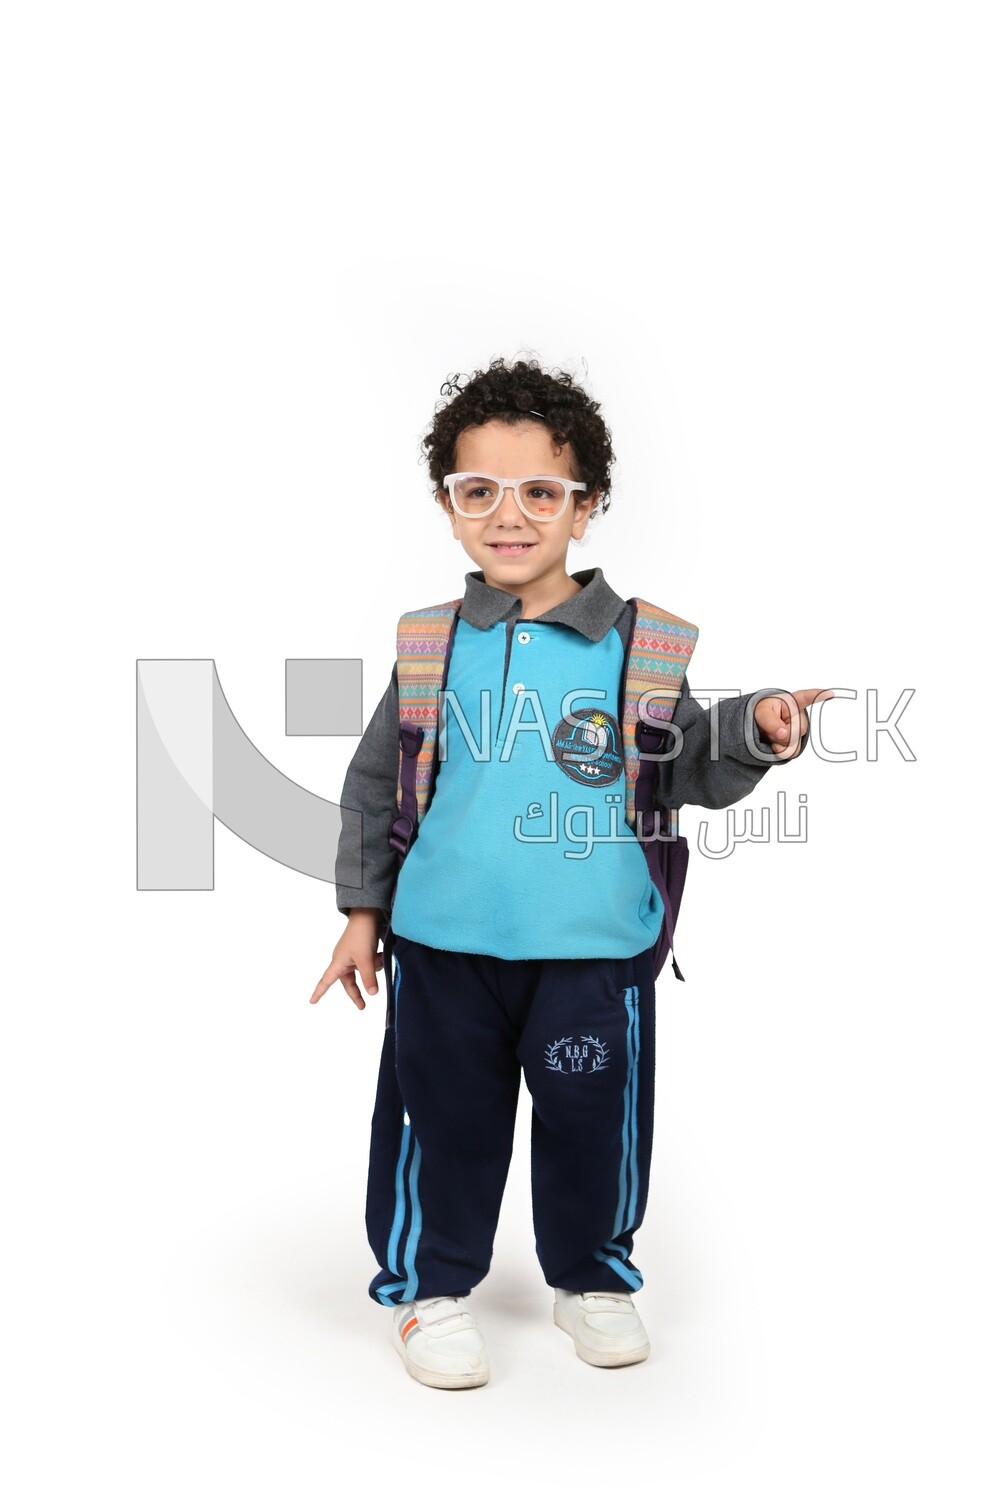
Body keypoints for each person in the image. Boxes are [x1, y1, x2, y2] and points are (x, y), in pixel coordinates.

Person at [309, 357, 830, 1391]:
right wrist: (362, 912)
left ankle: (591, 1273)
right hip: (443, 946)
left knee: (594, 1120)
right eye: (479, 492)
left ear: (584, 507)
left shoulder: (642, 646)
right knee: (438, 1119)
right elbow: (377, 783)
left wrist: (761, 729)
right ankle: (428, 1285)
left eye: (540, 492)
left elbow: (683, 767)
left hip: (594, 950)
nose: (510, 516)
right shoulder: (430, 646)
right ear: (449, 506)